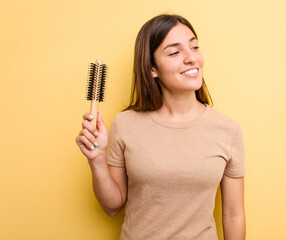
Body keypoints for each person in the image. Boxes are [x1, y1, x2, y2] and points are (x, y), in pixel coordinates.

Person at [76, 14, 246, 240]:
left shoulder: (228, 130)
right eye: (175, 52)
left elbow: (233, 214)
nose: (191, 58)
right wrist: (96, 160)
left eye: (194, 47)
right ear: (152, 68)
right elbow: (112, 206)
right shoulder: (125, 124)